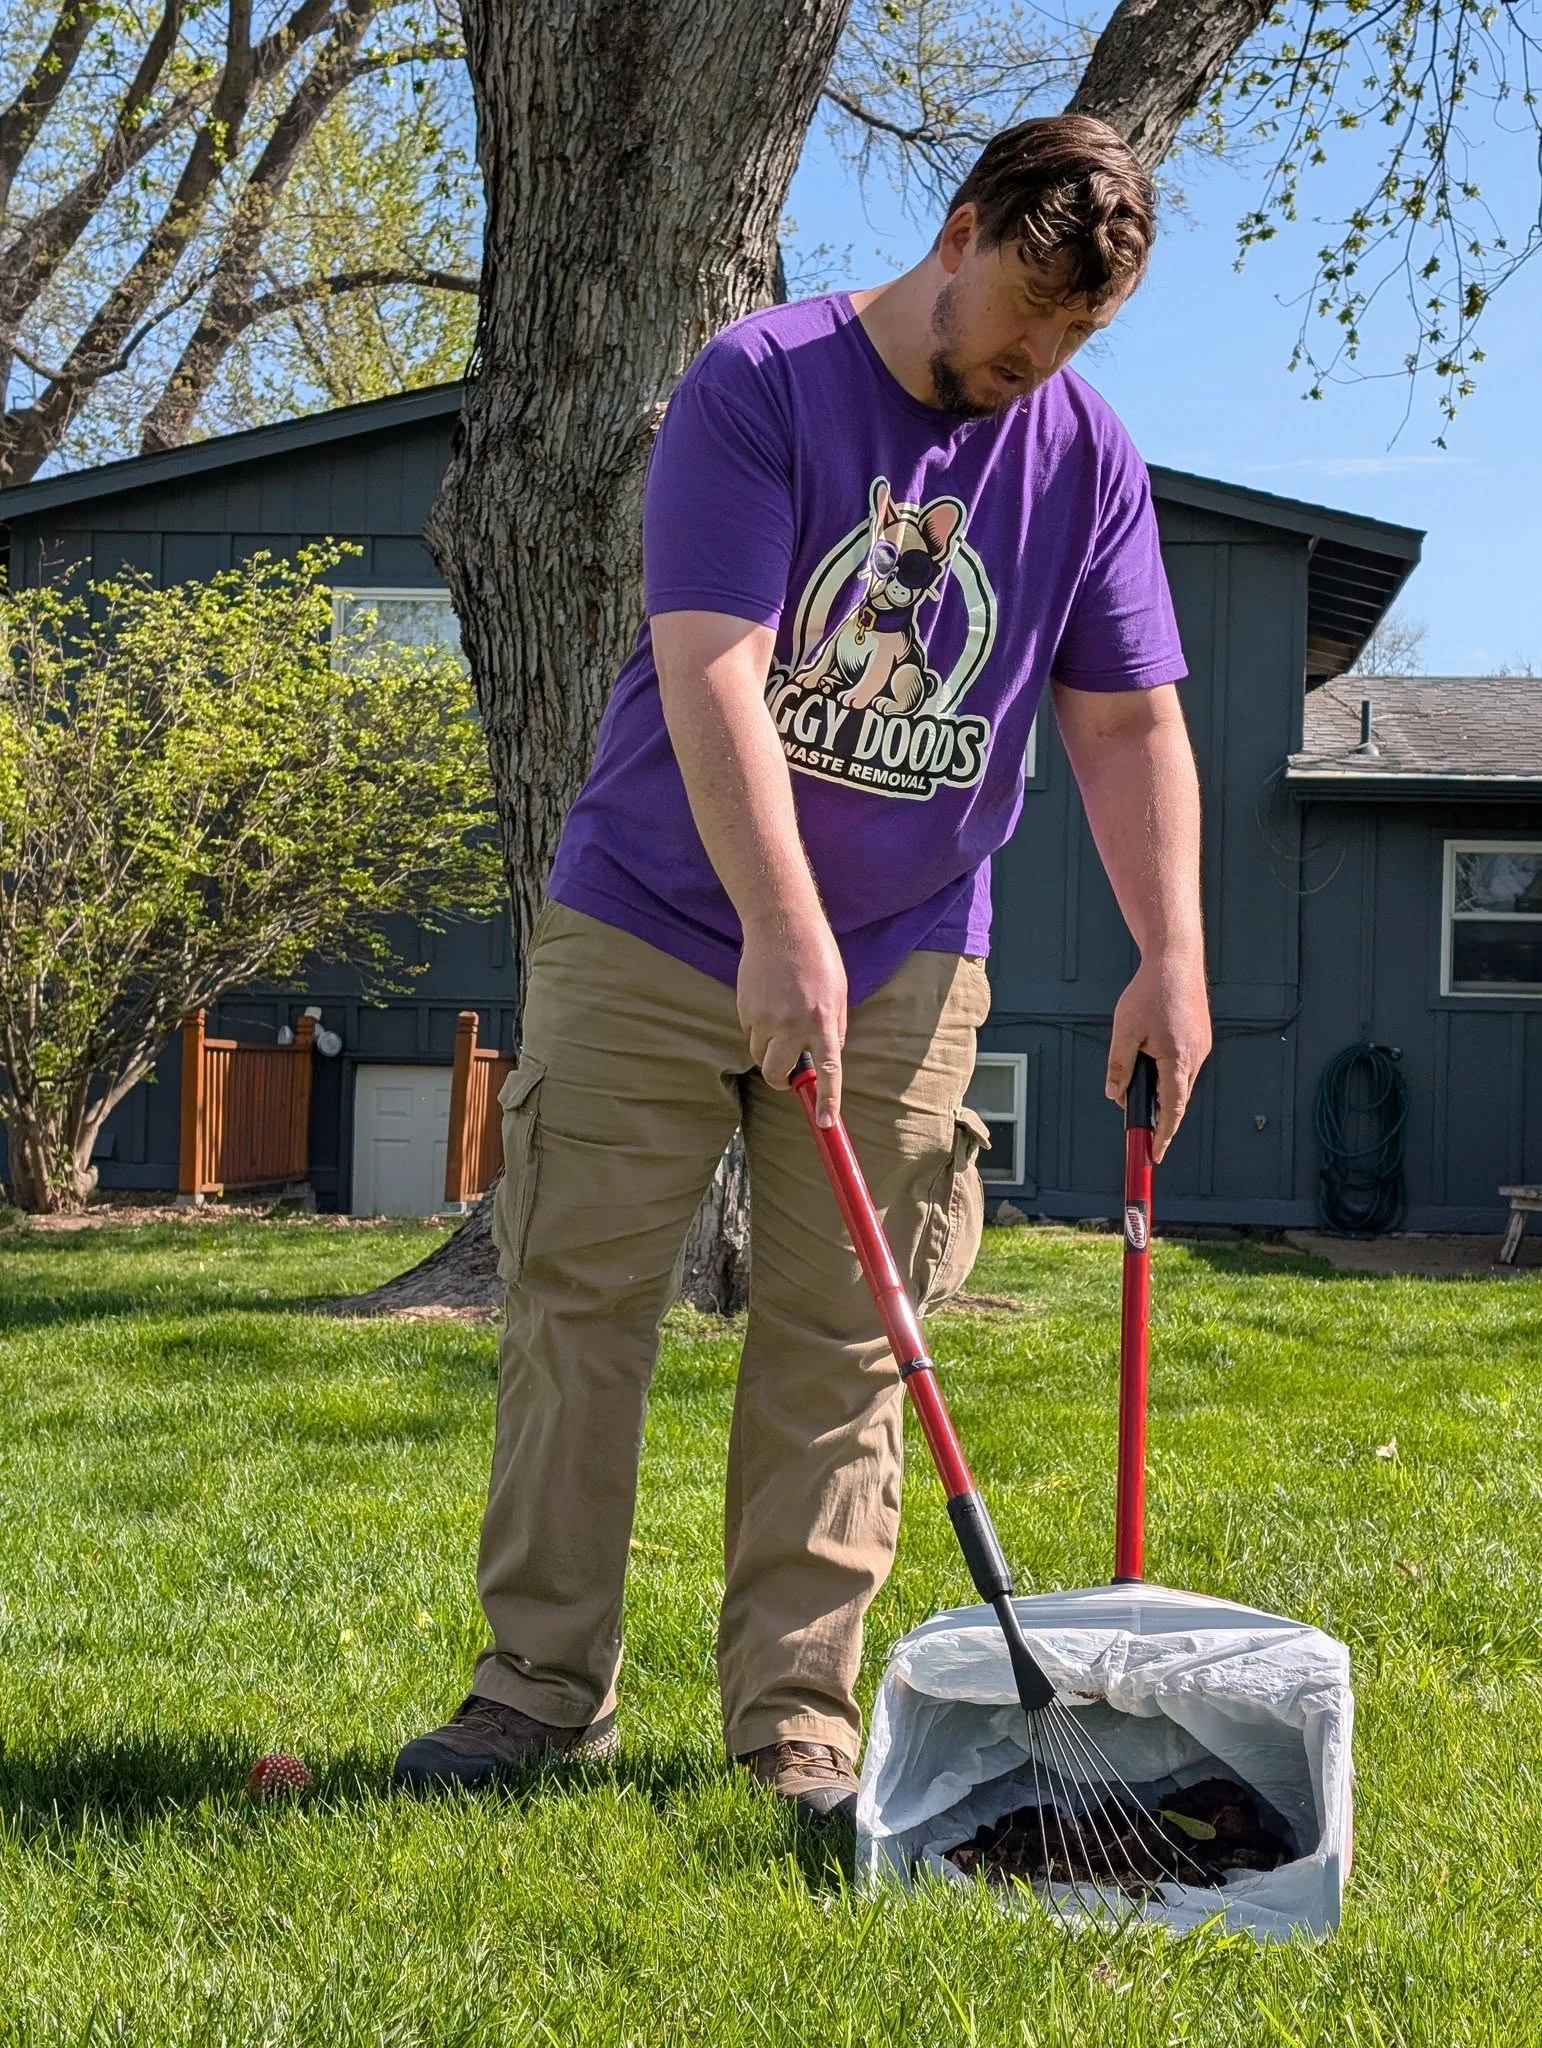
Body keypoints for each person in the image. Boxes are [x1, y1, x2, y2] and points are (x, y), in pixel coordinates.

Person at [393, 113, 1213, 1818]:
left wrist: (1172, 954)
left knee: (849, 1339)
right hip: (654, 921)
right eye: (1025, 317)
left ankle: (793, 1721)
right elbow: (714, 663)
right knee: (580, 1310)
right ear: (960, 225)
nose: (1033, 360)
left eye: (1074, 339)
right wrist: (776, 930)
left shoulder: (1079, 451)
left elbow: (1127, 713)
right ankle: (535, 1694)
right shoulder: (755, 381)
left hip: (912, 948)